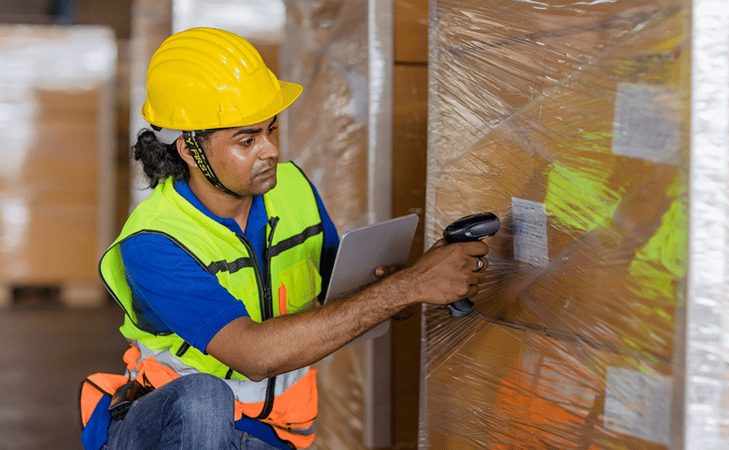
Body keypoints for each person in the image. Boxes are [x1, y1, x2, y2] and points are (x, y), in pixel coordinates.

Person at [79, 27, 489, 450]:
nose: (271, 150)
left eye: (270, 130)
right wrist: (407, 287)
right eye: (247, 139)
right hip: (174, 434)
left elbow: (344, 304)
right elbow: (252, 355)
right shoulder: (155, 240)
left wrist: (405, 288)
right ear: (189, 150)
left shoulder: (291, 189)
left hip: (270, 435)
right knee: (204, 398)